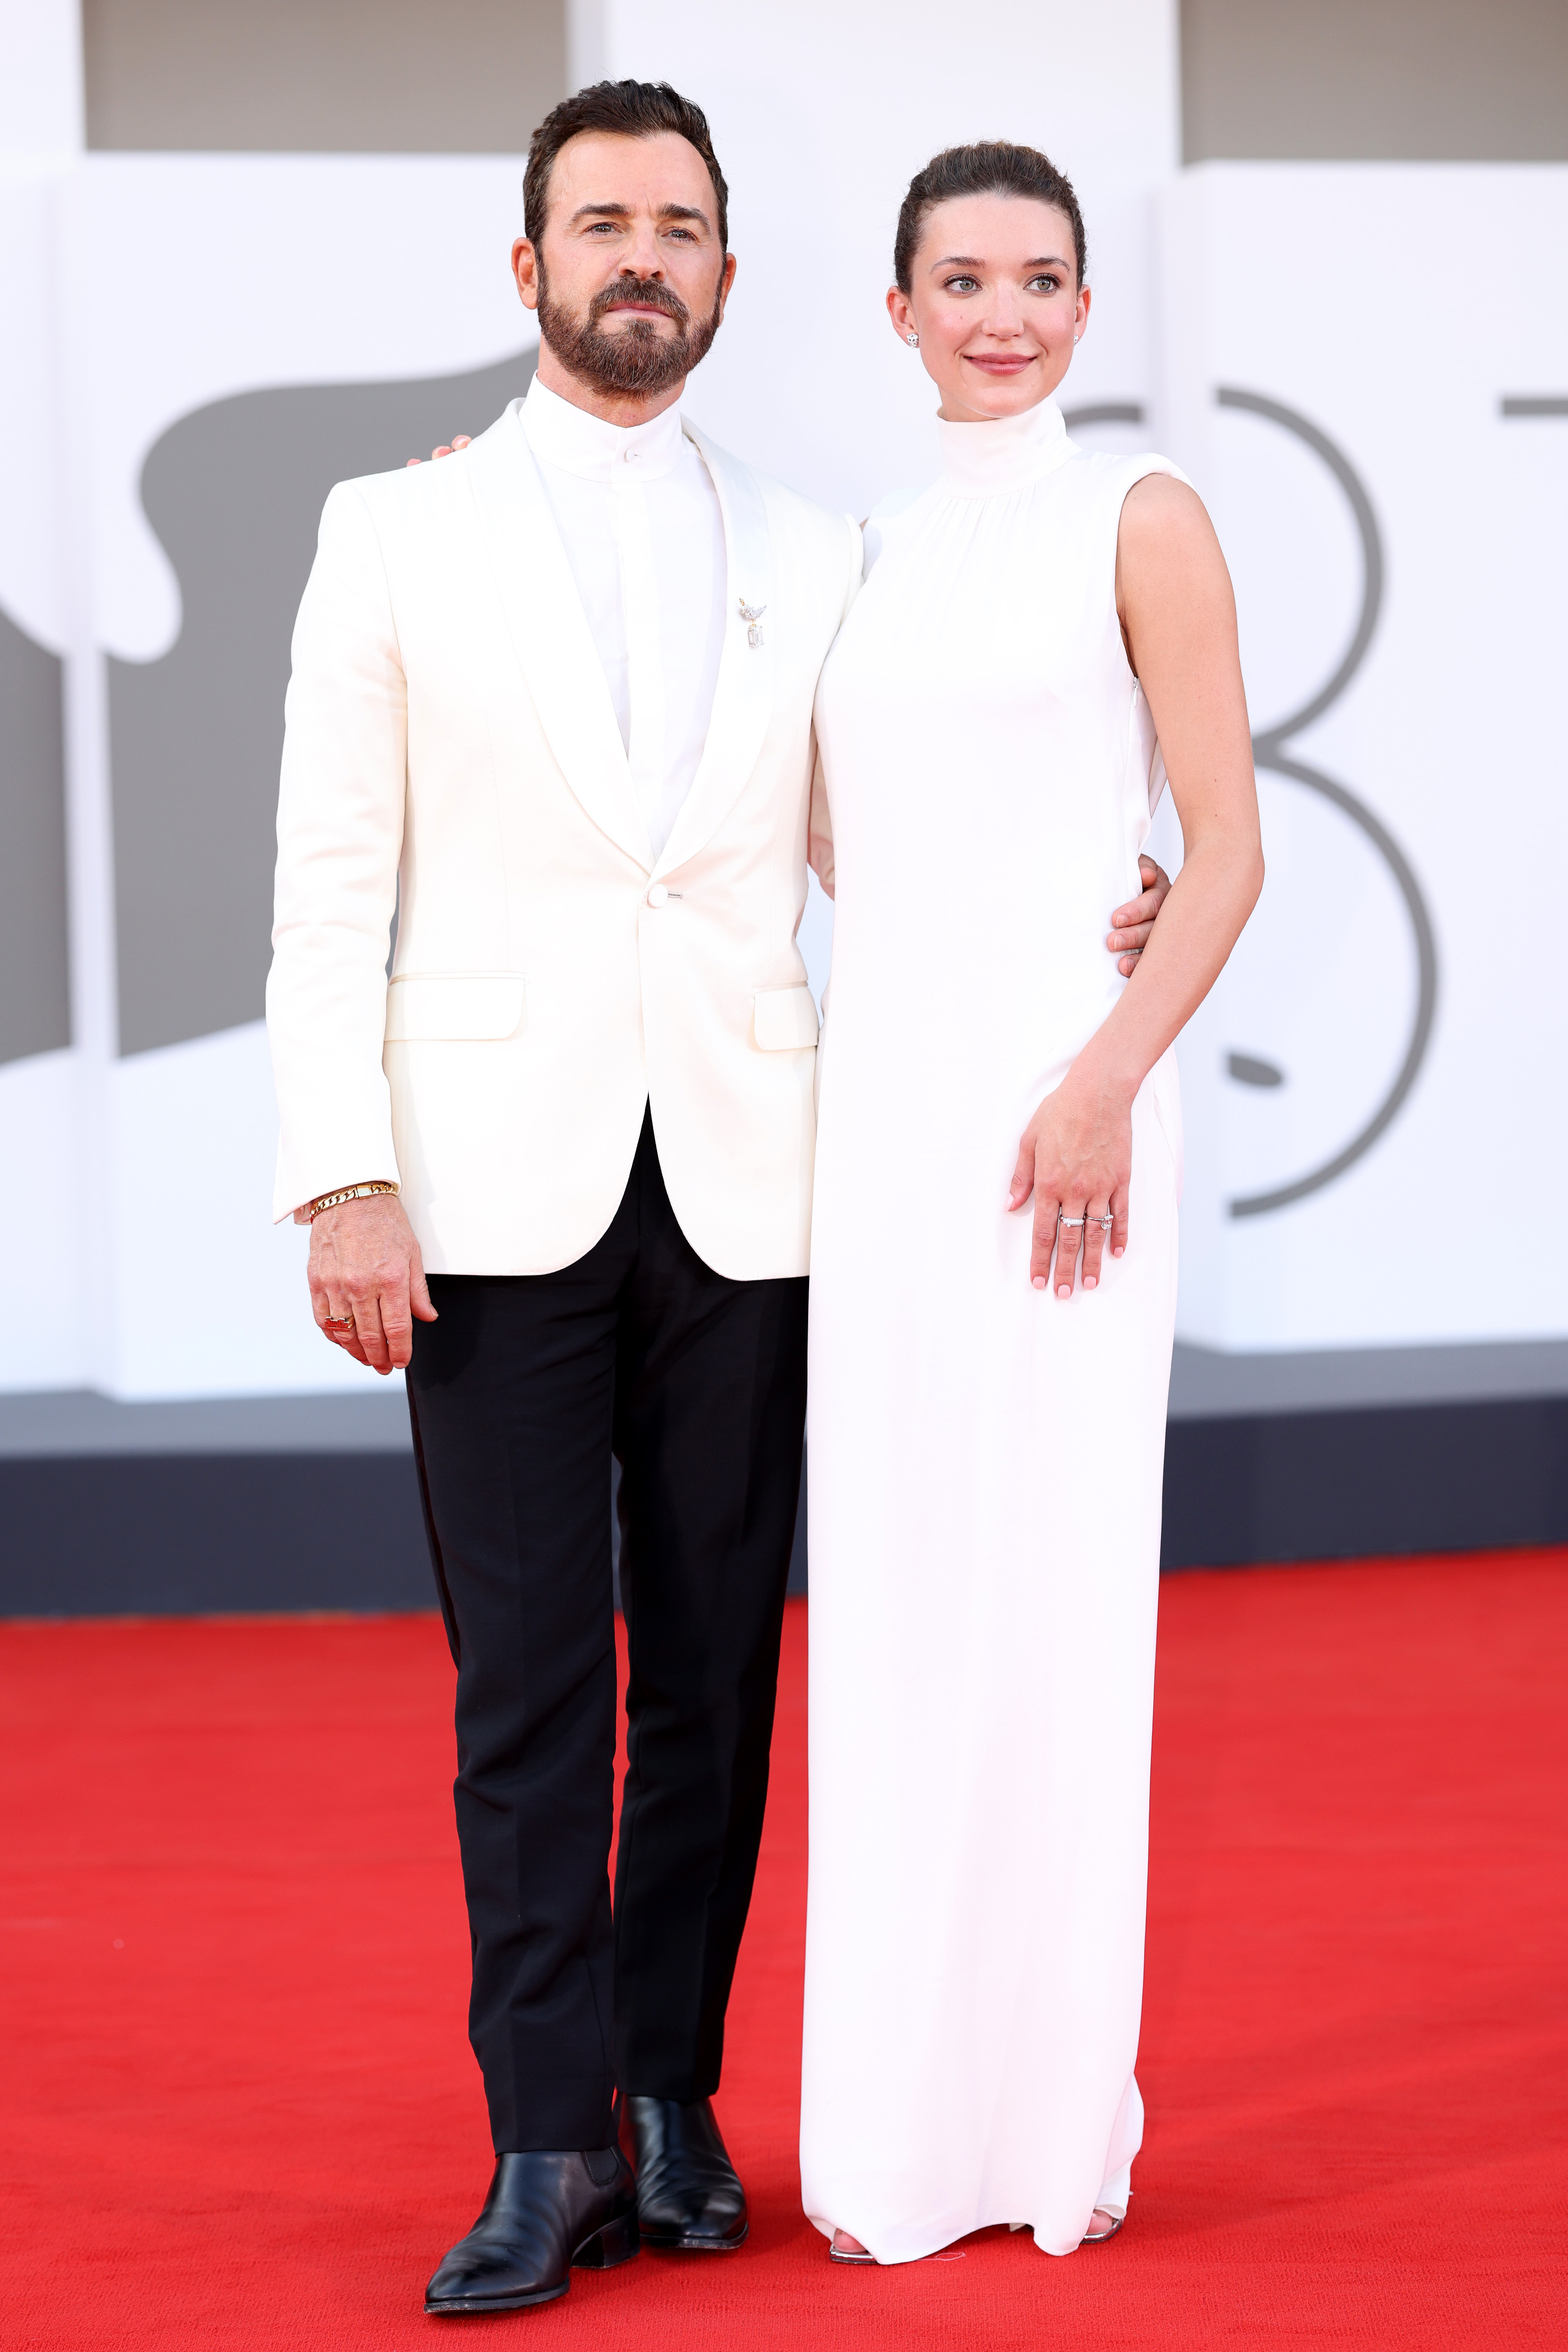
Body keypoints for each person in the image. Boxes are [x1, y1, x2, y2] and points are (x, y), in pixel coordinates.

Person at [268, 85, 1173, 2315]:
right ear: (531, 267)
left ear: (733, 282)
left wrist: (1108, 904)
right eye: (603, 224)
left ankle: (673, 2099)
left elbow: (901, 821)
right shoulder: (393, 528)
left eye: (679, 225)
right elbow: (328, 880)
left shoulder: (815, 544)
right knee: (525, 1691)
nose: (641, 256)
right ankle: (546, 2136)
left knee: (717, 1678)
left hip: (773, 1179)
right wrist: (343, 1173)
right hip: (481, 1184)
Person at [799, 143, 1263, 2265]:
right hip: (885, 1132)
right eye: (961, 277)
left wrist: (1101, 1080)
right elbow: (832, 848)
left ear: (1088, 310)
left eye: (1043, 278)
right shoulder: (854, 554)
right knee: (896, 1611)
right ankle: (898, 2130)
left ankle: (1044, 2124)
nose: (1005, 310)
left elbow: (1227, 844)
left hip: (1067, 1139)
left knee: (1056, 1608)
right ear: (896, 311)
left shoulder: (1141, 517)